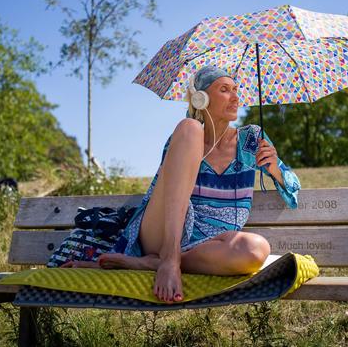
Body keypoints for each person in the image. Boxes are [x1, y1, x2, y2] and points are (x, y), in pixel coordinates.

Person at [61, 65, 301, 304]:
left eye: (236, 90)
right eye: (225, 90)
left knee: (255, 250)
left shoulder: (251, 139)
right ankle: (169, 255)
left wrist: (274, 170)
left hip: (213, 246)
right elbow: (162, 191)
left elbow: (293, 191)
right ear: (201, 98)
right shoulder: (185, 137)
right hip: (165, 232)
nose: (236, 97)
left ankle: (158, 262)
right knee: (190, 127)